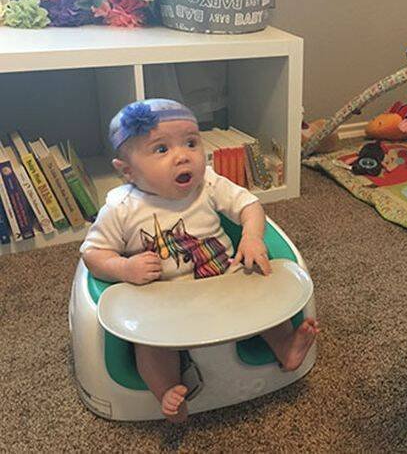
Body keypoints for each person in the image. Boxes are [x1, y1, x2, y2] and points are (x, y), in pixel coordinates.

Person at [81, 99, 319, 423]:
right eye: (161, 149)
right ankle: (167, 392)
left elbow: (249, 206)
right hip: (163, 302)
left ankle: (285, 347)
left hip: (225, 281)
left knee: (264, 291)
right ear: (127, 171)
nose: (183, 156)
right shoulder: (120, 208)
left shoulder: (208, 182)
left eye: (191, 143)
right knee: (147, 345)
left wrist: (251, 237)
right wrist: (124, 268)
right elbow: (93, 255)